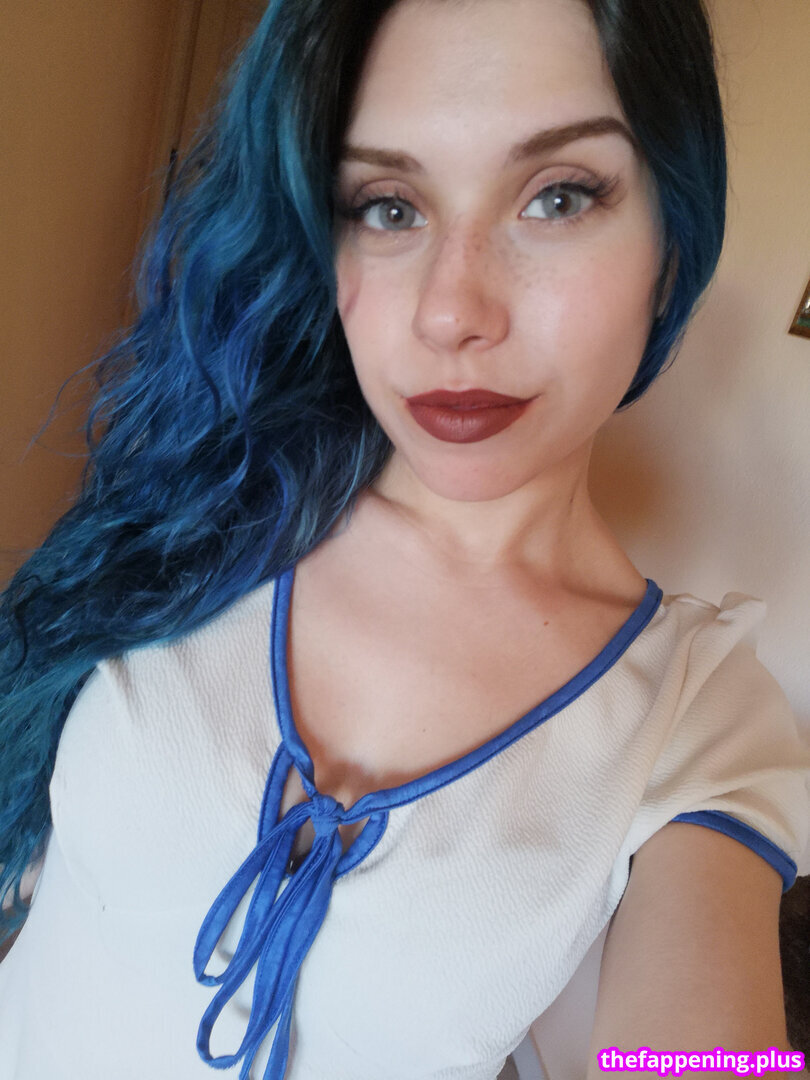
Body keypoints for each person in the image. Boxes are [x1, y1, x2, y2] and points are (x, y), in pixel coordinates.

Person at [0, 0, 808, 1077]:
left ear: (674, 237)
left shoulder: (694, 715)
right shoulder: (208, 497)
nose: (450, 311)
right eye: (388, 207)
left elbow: (701, 1056)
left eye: (557, 197)